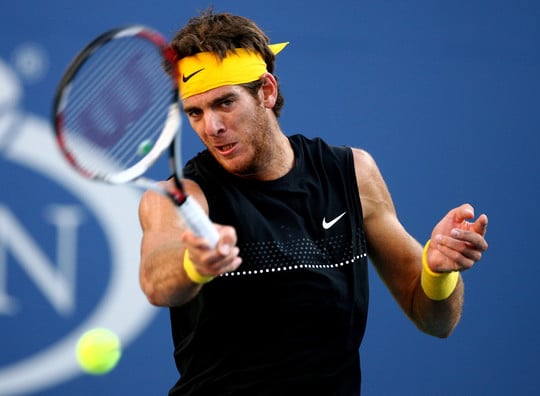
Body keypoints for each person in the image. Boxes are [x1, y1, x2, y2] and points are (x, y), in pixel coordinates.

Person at [138, 10, 489, 396]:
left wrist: (438, 273)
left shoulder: (352, 173)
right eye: (195, 112)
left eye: (225, 103)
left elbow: (434, 320)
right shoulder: (182, 198)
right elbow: (157, 282)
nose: (211, 127)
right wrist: (193, 264)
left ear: (267, 91)